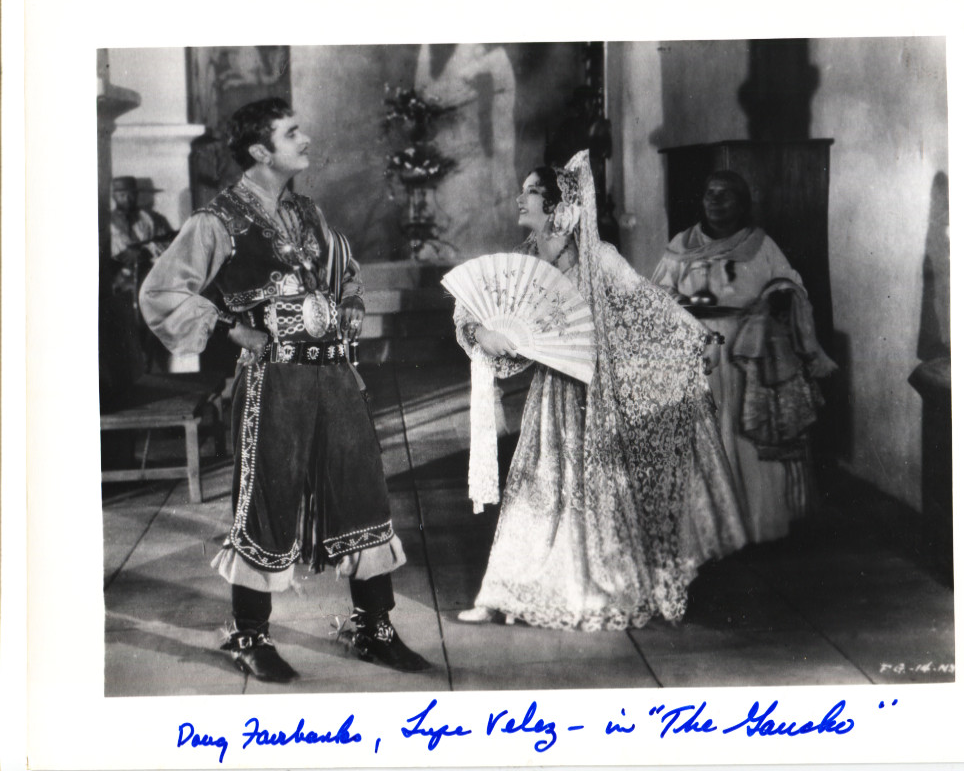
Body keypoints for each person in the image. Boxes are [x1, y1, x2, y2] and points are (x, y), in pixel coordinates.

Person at [140, 97, 430, 681]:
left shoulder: (306, 212)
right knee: (267, 500)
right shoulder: (217, 221)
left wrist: (350, 302)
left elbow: (345, 271)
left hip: (334, 374)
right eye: (291, 132)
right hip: (273, 379)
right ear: (260, 150)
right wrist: (231, 329)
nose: (305, 138)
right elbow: (161, 293)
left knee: (362, 489)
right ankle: (248, 634)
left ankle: (373, 626)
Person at [451, 151, 746, 631]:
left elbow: (650, 304)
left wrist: (696, 338)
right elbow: (470, 309)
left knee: (596, 495)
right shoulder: (526, 259)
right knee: (533, 489)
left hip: (597, 396)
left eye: (531, 192)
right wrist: (484, 333)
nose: (520, 199)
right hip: (551, 397)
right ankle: (501, 591)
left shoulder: (599, 258)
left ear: (556, 208)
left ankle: (590, 586)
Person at [652, 170, 836, 544]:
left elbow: (791, 283)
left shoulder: (761, 244)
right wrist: (682, 308)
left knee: (745, 430)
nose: (716, 201)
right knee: (704, 431)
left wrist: (778, 296)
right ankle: (709, 530)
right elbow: (655, 292)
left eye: (726, 194)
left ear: (742, 203)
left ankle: (756, 526)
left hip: (748, 350)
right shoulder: (682, 244)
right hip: (696, 347)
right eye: (710, 193)